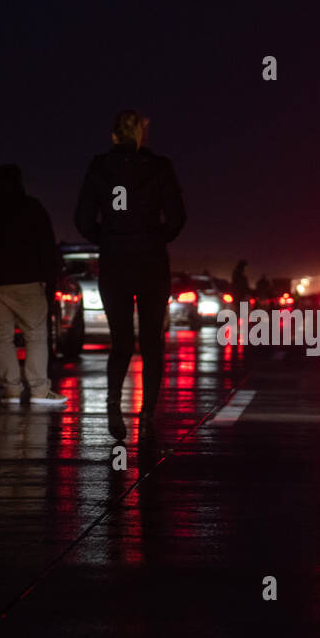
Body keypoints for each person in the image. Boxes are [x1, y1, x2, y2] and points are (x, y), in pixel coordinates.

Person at [74, 110, 186, 441]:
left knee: (120, 341)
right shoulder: (160, 168)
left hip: (114, 262)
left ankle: (112, 405)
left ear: (113, 137)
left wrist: (108, 237)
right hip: (151, 261)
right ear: (141, 136)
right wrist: (154, 236)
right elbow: (178, 217)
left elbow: (82, 218)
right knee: (152, 341)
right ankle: (148, 413)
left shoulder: (98, 167)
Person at [0, 164, 68, 407]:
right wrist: (49, 281)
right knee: (36, 335)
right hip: (28, 281)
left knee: (2, 337)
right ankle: (39, 390)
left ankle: (11, 390)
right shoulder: (32, 208)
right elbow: (46, 245)